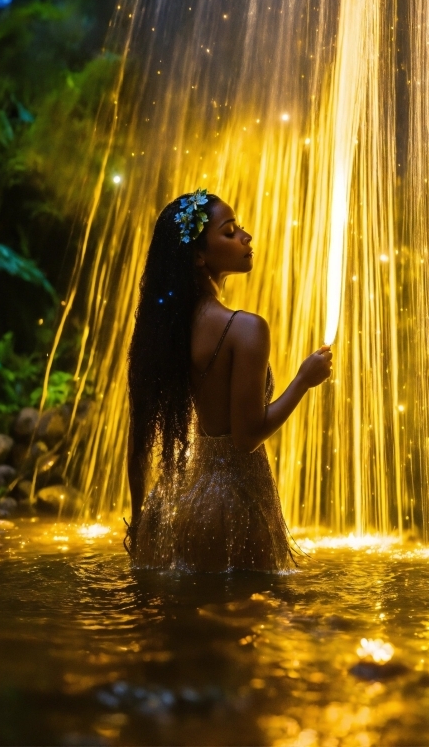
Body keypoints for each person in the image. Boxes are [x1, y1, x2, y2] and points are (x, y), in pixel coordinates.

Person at [126, 189, 332, 572]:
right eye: (230, 231)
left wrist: (140, 522)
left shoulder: (166, 331)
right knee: (247, 621)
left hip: (177, 502)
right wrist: (304, 380)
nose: (246, 237)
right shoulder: (245, 329)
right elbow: (247, 436)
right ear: (199, 256)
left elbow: (138, 442)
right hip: (235, 506)